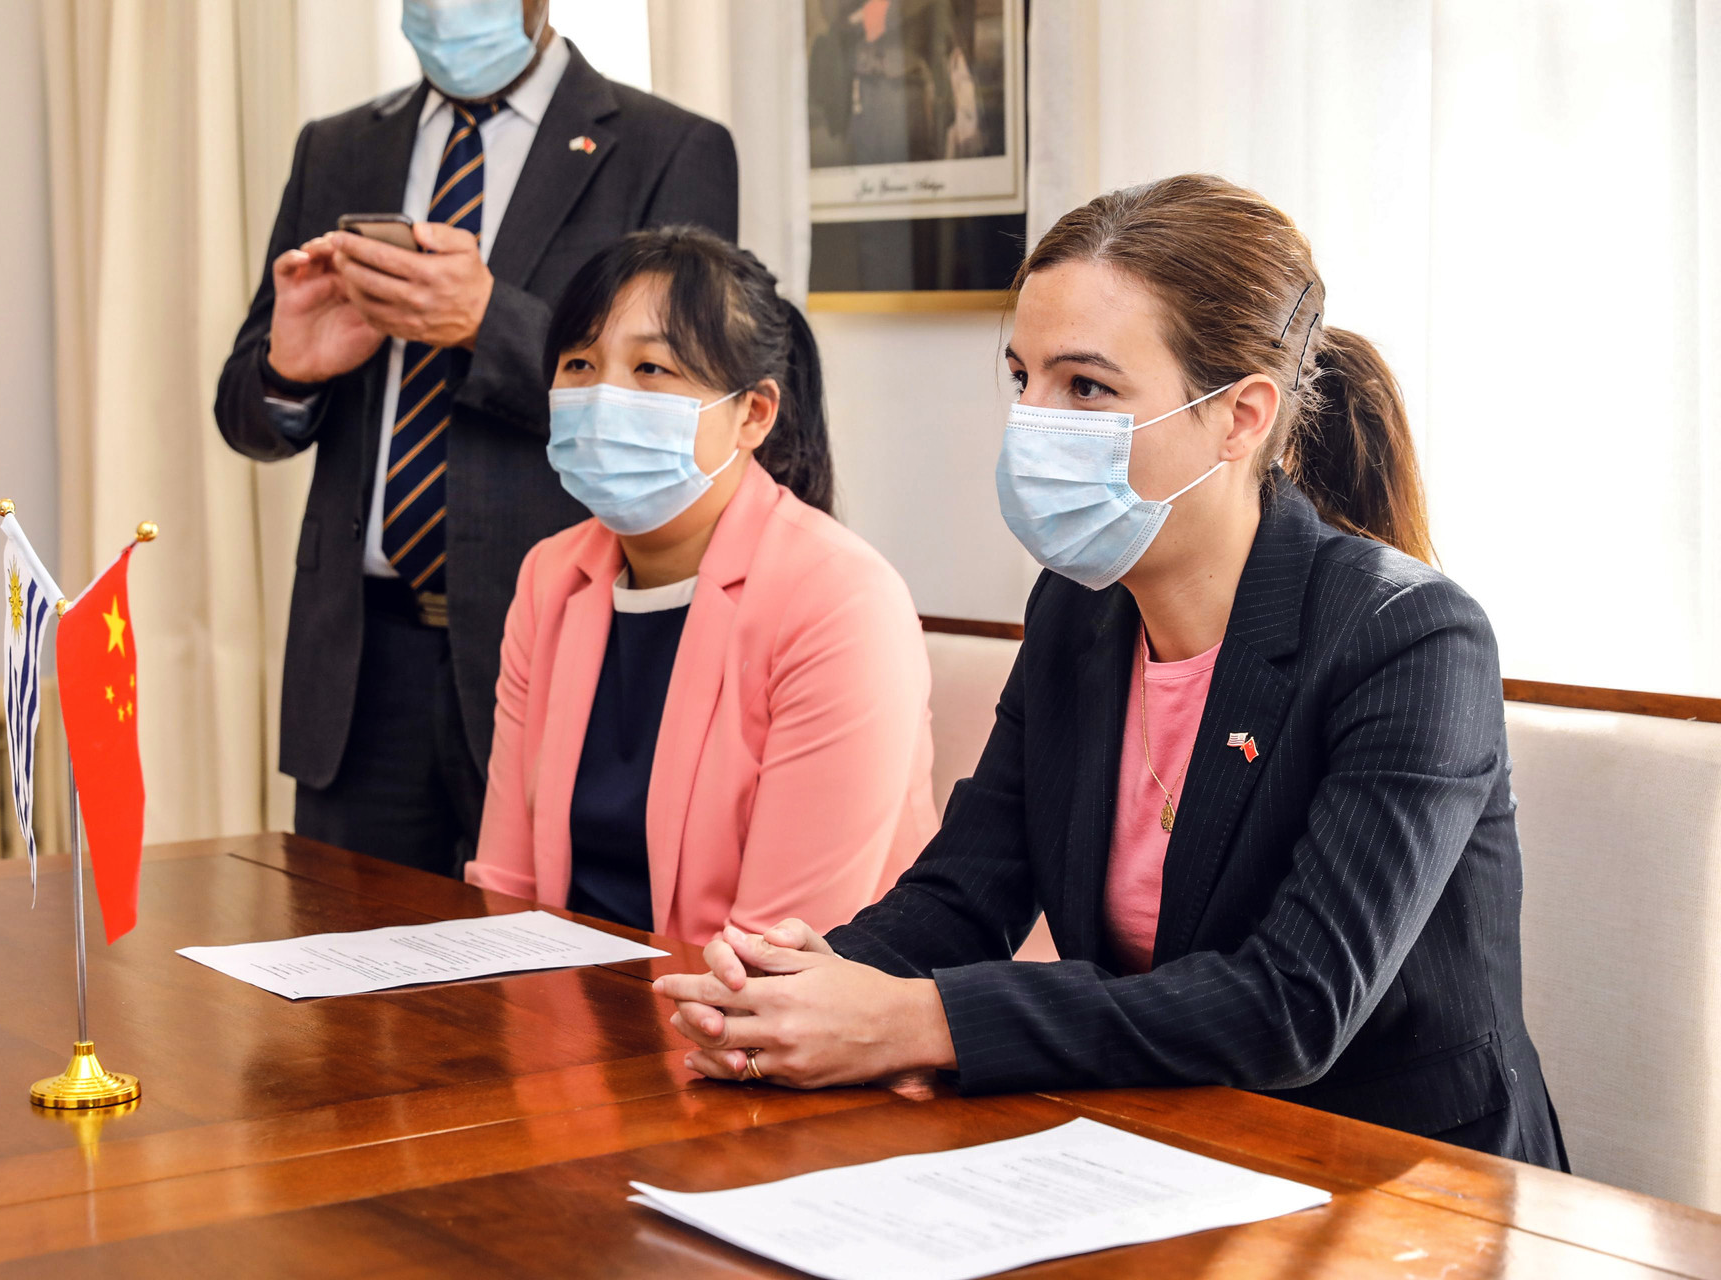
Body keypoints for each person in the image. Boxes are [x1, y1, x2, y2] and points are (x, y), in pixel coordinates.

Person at [654, 175, 1569, 1169]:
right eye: (1023, 378)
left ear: (1241, 417)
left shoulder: (1412, 637)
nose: (1033, 420)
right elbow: (965, 894)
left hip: (1400, 1179)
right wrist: (794, 990)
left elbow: (1293, 1003)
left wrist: (915, 1021)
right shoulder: (1077, 610)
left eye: (1086, 387)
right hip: (1165, 1144)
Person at [214, 1, 737, 876]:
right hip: (360, 664)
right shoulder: (336, 147)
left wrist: (487, 320)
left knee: (537, 954)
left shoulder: (668, 149)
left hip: (561, 642)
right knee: (337, 954)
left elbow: (684, 405)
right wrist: (290, 370)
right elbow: (245, 414)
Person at [463, 227, 937, 947]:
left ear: (754, 413)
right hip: (560, 995)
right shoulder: (550, 576)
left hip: (767, 1006)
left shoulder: (842, 601)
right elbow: (506, 886)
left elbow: (777, 956)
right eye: (580, 363)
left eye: (651, 367)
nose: (604, 396)